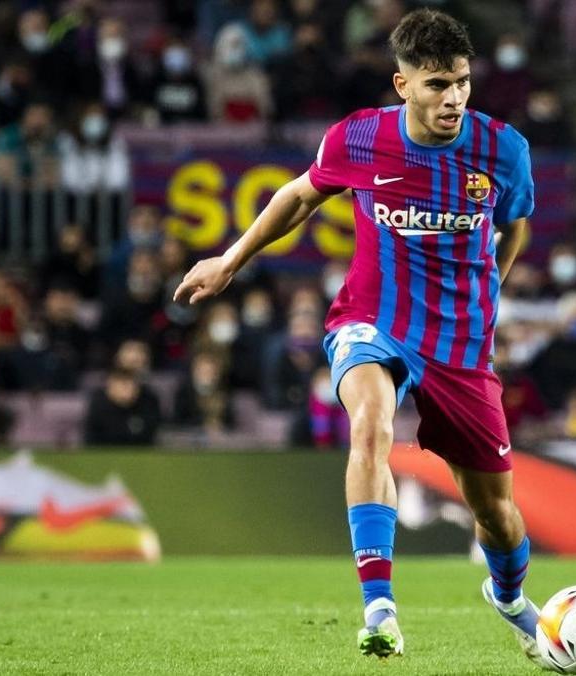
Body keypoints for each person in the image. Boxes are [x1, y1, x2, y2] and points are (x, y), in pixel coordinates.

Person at [172, 9, 544, 665]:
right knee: (370, 422)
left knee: (497, 514)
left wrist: (494, 288)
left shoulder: (504, 149)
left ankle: (510, 597)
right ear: (402, 85)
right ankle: (380, 609)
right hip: (372, 317)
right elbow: (297, 197)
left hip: (459, 342)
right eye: (436, 85)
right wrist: (230, 261)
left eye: (460, 81)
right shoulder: (359, 140)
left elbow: (514, 227)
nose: (453, 97)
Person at [83, 367, 162, 446]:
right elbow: (91, 439)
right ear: (110, 386)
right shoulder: (98, 404)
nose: (129, 389)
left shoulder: (147, 403)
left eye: (132, 385)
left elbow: (151, 435)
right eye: (123, 384)